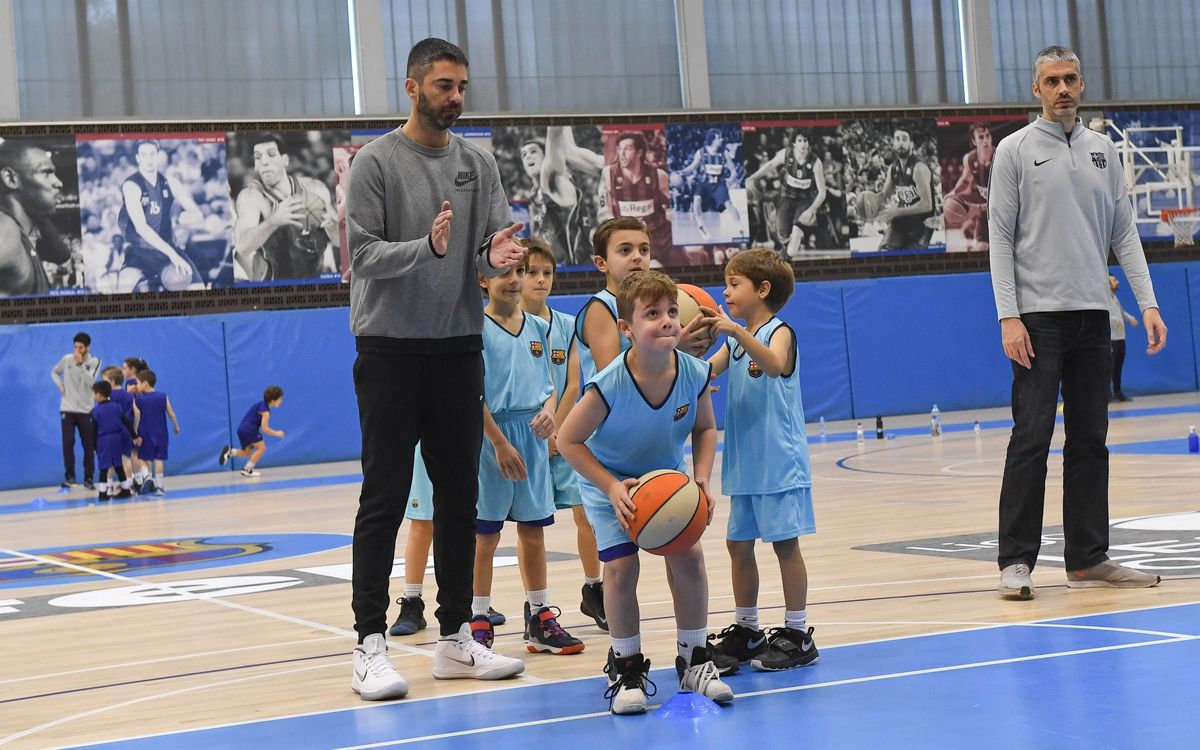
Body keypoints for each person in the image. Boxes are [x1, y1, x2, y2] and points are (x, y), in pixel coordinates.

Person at [345, 37, 528, 701]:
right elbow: (361, 258)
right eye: (444, 86)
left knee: (461, 500)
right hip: (390, 349)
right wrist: (426, 248)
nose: (455, 98)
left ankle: (456, 639)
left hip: (458, 346)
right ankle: (369, 645)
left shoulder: (478, 165)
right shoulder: (373, 163)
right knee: (385, 498)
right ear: (412, 86)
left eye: (462, 87)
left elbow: (484, 258)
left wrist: (495, 258)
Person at [989, 45, 1168, 600]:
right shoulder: (1013, 150)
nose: (1062, 88)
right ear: (1036, 90)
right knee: (1032, 438)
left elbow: (1125, 235)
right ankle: (1015, 561)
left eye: (1070, 79)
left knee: (1091, 440)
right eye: (1051, 81)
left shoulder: (1104, 151)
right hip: (1038, 319)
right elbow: (998, 237)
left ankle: (1088, 559)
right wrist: (1008, 316)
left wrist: (1149, 303)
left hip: (1096, 316)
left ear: (1082, 86)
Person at [559, 271, 734, 715]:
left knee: (690, 557)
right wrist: (612, 486)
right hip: (611, 482)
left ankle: (694, 659)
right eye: (651, 314)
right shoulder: (610, 382)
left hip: (666, 478)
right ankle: (626, 666)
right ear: (626, 329)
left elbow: (706, 427)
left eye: (672, 311)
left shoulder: (694, 373)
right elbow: (568, 441)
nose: (667, 321)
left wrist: (700, 479)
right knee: (620, 570)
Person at [704, 249, 819, 671]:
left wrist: (735, 332)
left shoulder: (778, 332)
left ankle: (797, 633)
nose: (725, 290)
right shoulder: (734, 343)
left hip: (780, 462)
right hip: (746, 465)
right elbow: (703, 371)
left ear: (763, 289)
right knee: (738, 545)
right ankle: (748, 630)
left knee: (785, 545)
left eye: (734, 284)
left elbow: (772, 365)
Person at [470, 260, 583, 656]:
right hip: (491, 438)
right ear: (483, 280)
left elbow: (550, 386)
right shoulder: (475, 328)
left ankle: (540, 617)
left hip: (532, 437)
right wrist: (499, 443)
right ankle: (478, 619)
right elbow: (473, 394)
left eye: (519, 272)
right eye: (504, 273)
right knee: (485, 536)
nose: (515, 280)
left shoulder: (539, 328)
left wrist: (551, 411)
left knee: (533, 532)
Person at [519, 238, 606, 630]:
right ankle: (534, 606)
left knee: (585, 514)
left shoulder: (569, 325)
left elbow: (574, 384)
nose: (540, 280)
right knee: (529, 525)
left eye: (547, 273)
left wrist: (560, 431)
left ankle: (594, 588)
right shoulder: (505, 324)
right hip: (525, 437)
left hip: (564, 434)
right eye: (531, 272)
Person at [575, 217, 712, 384]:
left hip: (657, 400)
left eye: (644, 250)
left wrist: (690, 379)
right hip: (618, 408)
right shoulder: (600, 308)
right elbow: (610, 378)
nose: (637, 257)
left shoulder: (658, 302)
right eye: (625, 250)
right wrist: (674, 347)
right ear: (601, 263)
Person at [232, 134, 337, 281]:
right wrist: (274, 220)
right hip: (273, 288)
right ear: (255, 165)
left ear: (285, 160)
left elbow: (340, 241)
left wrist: (332, 227)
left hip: (315, 283)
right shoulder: (251, 197)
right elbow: (242, 248)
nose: (264, 162)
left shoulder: (315, 189)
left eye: (271, 154)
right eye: (258, 157)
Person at [118, 140, 205, 292]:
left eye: (152, 154)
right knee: (123, 287)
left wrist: (193, 217)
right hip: (140, 251)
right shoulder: (131, 185)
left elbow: (198, 213)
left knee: (200, 290)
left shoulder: (172, 183)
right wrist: (173, 255)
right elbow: (141, 227)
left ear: (158, 156)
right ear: (138, 158)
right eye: (144, 154)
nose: (149, 159)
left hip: (170, 246)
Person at [519, 127, 602, 266]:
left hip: (575, 268)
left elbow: (554, 134)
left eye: (533, 151)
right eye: (524, 154)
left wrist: (555, 111)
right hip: (552, 270)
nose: (528, 156)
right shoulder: (534, 195)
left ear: (546, 157)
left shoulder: (554, 180)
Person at [0, 139, 72, 296]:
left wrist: (36, 208)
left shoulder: (21, 230)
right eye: (46, 172)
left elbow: (61, 255)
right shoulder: (6, 228)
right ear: (11, 179)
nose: (58, 183)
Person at [597, 132, 679, 266]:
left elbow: (673, 207)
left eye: (627, 149)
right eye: (619, 149)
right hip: (628, 240)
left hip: (659, 237)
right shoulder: (609, 174)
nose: (621, 154)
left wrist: (671, 213)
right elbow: (604, 210)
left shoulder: (658, 175)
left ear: (639, 152)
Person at [746, 132, 830, 258]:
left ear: (808, 143)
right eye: (800, 141)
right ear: (794, 143)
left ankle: (784, 263)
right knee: (783, 236)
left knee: (796, 232)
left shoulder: (816, 162)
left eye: (805, 140)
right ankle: (785, 254)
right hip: (786, 197)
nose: (802, 144)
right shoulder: (786, 153)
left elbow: (822, 192)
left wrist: (812, 209)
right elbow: (770, 165)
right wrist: (753, 177)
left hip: (805, 200)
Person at [51, 332, 101, 491]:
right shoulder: (66, 359)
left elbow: (91, 382)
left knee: (88, 445)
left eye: (81, 347)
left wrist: (80, 365)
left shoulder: (94, 361)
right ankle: (70, 477)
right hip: (67, 407)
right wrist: (60, 385)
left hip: (86, 409)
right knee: (68, 442)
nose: (77, 350)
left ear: (87, 347)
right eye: (75, 347)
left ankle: (88, 478)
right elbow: (54, 372)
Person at [875, 129, 935, 251]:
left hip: (922, 225)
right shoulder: (893, 168)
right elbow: (884, 194)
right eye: (897, 139)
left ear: (911, 144)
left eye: (904, 139)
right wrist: (869, 203)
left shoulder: (919, 168)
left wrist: (897, 211)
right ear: (893, 144)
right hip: (901, 222)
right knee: (883, 252)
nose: (901, 143)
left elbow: (927, 205)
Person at [678, 129, 742, 241]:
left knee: (728, 204)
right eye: (719, 138)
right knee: (697, 199)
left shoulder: (725, 153)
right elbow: (693, 167)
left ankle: (740, 228)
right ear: (713, 139)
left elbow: (733, 171)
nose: (721, 140)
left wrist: (730, 179)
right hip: (704, 183)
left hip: (719, 184)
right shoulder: (701, 152)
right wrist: (682, 172)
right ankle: (701, 226)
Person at [947, 123, 994, 253]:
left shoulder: (1000, 158)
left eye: (987, 136)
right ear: (974, 141)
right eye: (981, 137)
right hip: (986, 209)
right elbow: (965, 179)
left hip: (1004, 212)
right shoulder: (969, 158)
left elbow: (1005, 200)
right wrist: (952, 192)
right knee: (981, 247)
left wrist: (978, 208)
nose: (985, 141)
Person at [132, 369, 180, 496]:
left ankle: (147, 476)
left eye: (138, 383)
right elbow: (171, 414)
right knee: (159, 460)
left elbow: (137, 415)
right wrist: (176, 426)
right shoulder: (163, 396)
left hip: (144, 433)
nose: (136, 386)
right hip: (161, 433)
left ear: (145, 383)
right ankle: (159, 487)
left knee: (141, 458)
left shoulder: (139, 400)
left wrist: (135, 431)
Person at [220, 386, 285, 477]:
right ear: (273, 400)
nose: (281, 401)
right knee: (262, 448)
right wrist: (277, 433)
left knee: (247, 452)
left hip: (241, 429)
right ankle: (247, 469)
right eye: (280, 399)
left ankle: (230, 452)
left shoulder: (260, 404)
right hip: (249, 429)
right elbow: (265, 429)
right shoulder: (266, 412)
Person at [91, 380, 136, 501]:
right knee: (118, 465)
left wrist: (93, 447)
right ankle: (126, 490)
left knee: (104, 467)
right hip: (117, 438)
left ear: (99, 394)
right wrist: (134, 436)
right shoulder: (117, 407)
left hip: (103, 440)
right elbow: (126, 422)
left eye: (94, 394)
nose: (94, 396)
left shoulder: (95, 411)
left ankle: (102, 493)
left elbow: (93, 431)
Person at [102, 366, 139, 488]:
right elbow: (137, 412)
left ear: (112, 381)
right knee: (126, 458)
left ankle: (108, 486)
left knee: (110, 461)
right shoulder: (129, 395)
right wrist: (134, 429)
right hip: (126, 430)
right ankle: (130, 484)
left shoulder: (106, 396)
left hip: (111, 430)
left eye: (104, 381)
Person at [1107, 274, 1140, 402]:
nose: (1117, 282)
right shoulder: (1104, 299)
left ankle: (1117, 392)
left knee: (1118, 366)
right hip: (1111, 339)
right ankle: (1107, 393)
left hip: (1121, 338)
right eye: (1114, 280)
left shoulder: (1114, 297)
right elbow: (1104, 316)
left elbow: (1121, 312)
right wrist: (1115, 320)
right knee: (1109, 367)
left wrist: (1130, 319)